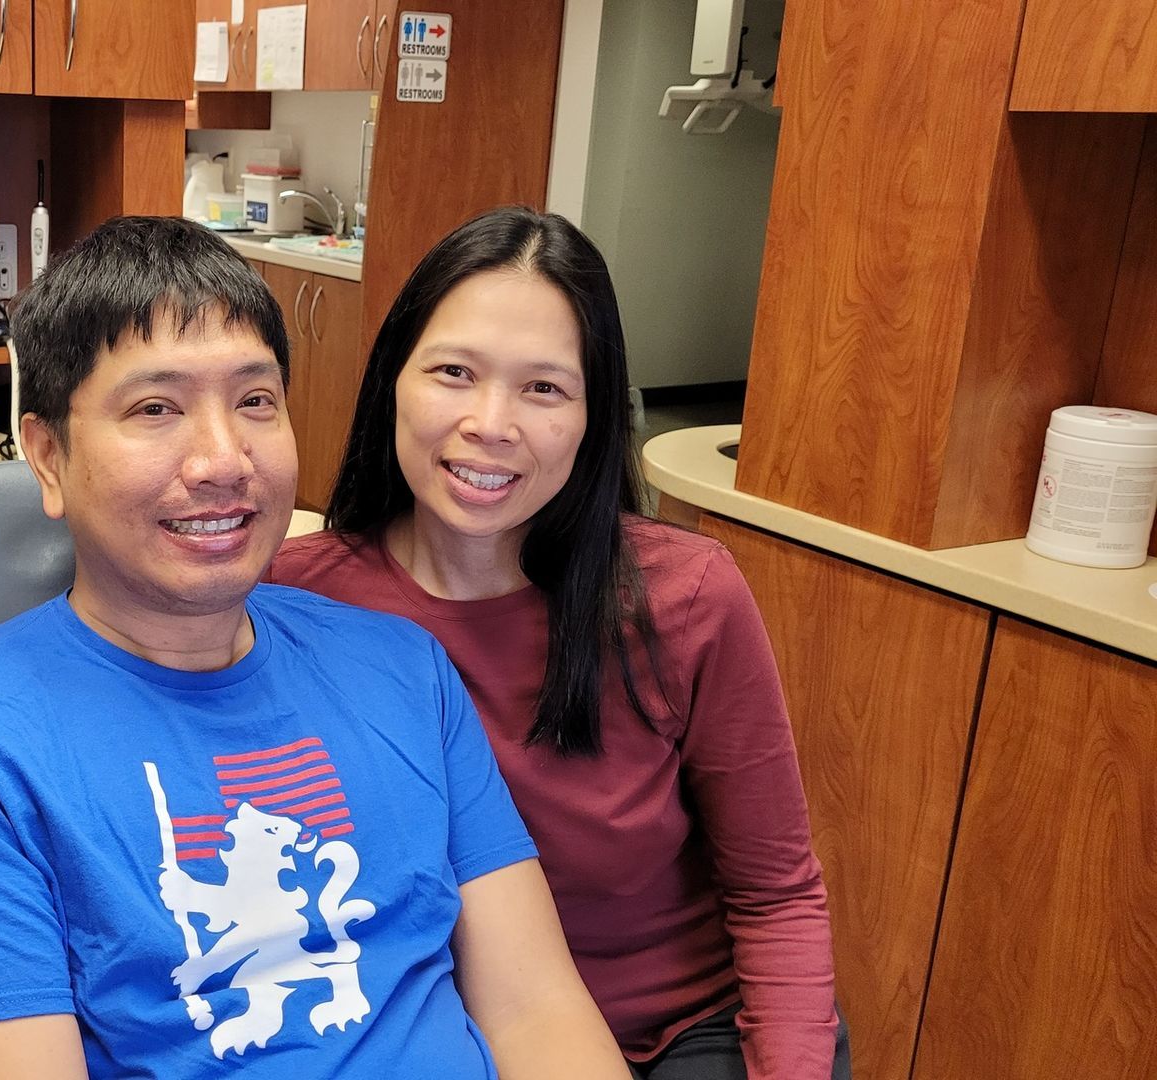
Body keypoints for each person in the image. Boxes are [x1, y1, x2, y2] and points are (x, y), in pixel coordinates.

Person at [0, 215, 630, 1080]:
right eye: (157, 408)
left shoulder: (405, 668)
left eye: (256, 402)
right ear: (47, 455)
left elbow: (537, 1011)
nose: (224, 459)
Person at [268, 206, 848, 1080]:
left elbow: (776, 894)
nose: (490, 422)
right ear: (393, 379)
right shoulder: (293, 599)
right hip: (434, 1035)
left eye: (544, 388)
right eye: (454, 372)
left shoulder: (684, 596)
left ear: (593, 415)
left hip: (684, 1035)